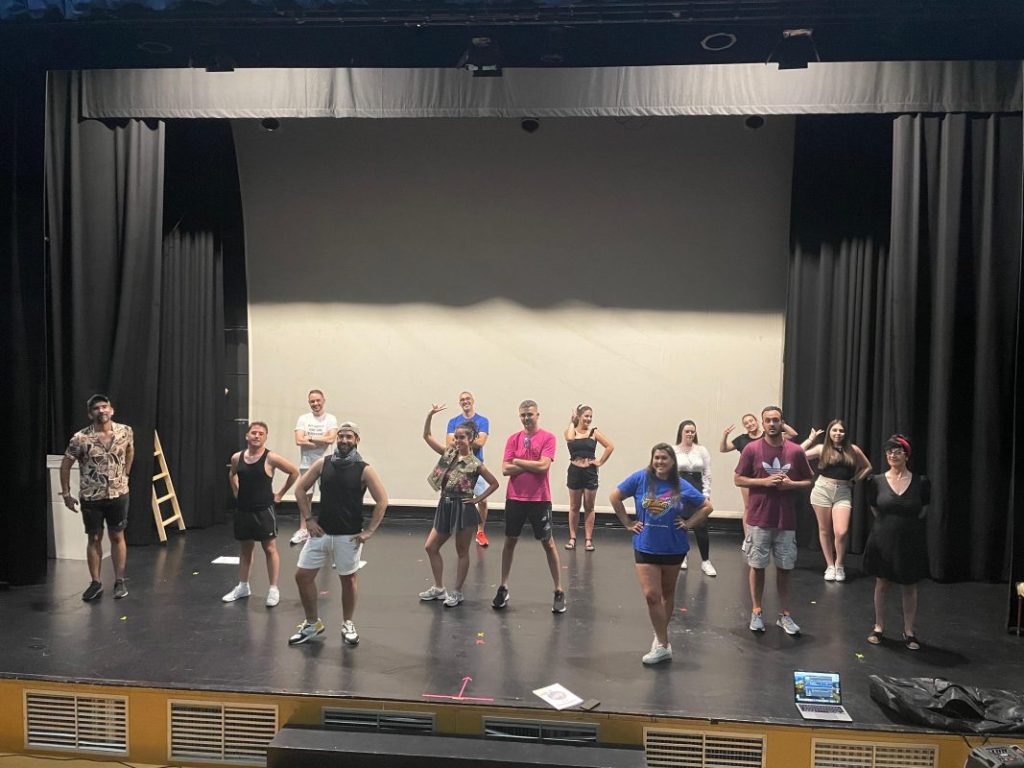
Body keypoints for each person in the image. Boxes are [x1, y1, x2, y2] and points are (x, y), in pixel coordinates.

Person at [610, 444, 713, 664]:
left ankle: (659, 636)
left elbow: (706, 507)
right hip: (645, 546)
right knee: (651, 595)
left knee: (667, 594)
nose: (660, 462)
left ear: (672, 461)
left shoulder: (680, 484)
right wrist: (627, 523)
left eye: (664, 458)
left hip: (673, 547)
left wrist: (688, 523)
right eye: (656, 457)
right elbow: (615, 497)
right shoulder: (640, 478)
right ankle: (664, 645)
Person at [289, 422, 388, 646]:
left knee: (348, 580)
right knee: (302, 576)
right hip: (320, 533)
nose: (343, 440)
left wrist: (370, 531)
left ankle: (348, 623)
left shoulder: (364, 469)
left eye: (348, 437)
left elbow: (382, 500)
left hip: (348, 536)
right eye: (341, 436)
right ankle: (312, 623)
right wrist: (308, 519)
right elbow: (300, 489)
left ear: (356, 440)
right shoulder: (323, 463)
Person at [734, 406, 813, 636]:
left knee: (785, 568)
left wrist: (792, 485)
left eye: (775, 420)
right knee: (757, 566)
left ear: (781, 422)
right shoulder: (751, 449)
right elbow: (738, 478)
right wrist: (763, 482)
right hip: (759, 518)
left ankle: (784, 614)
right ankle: (756, 611)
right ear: (763, 423)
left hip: (786, 520)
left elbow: (808, 480)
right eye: (767, 420)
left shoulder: (795, 451)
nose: (771, 424)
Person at [419, 405, 500, 607]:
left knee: (462, 551)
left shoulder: (475, 463)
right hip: (445, 505)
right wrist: (429, 415)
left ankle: (457, 591)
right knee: (431, 546)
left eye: (461, 437)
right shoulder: (449, 453)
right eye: (456, 437)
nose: (457, 440)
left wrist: (477, 500)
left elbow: (494, 483)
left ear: (471, 439)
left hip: (463, 508)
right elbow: (427, 436)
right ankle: (439, 588)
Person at [59, 394, 135, 602]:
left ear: (111, 410)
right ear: (90, 414)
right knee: (94, 538)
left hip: (118, 493)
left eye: (104, 406)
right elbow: (66, 464)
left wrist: (125, 474)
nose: (101, 410)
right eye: (96, 408)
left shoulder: (125, 431)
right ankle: (96, 582)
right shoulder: (80, 438)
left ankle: (119, 580)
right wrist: (66, 493)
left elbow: (130, 450)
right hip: (92, 496)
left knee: (117, 535)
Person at [493, 400, 566, 614]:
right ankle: (503, 587)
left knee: (548, 543)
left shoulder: (548, 438)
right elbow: (505, 470)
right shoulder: (513, 439)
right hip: (515, 498)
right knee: (510, 541)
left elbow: (543, 466)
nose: (526, 418)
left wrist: (518, 461)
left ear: (537, 415)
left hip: (539, 499)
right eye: (523, 415)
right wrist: (529, 465)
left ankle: (558, 590)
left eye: (530, 414)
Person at [862, 435, 930, 650]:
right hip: (882, 539)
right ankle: (879, 626)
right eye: (889, 451)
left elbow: (923, 510)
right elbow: (874, 508)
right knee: (882, 583)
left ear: (906, 455)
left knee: (910, 585)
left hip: (910, 540)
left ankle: (909, 631)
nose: (893, 455)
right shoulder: (875, 481)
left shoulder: (921, 482)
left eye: (898, 451)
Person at [223, 422, 299, 607]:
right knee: (245, 549)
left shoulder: (270, 458)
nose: (257, 436)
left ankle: (273, 589)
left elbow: (294, 472)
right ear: (247, 436)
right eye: (254, 432)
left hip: (263, 510)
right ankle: (243, 586)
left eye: (261, 433)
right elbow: (232, 474)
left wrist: (280, 494)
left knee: (270, 549)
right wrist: (236, 491)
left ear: (265, 437)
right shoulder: (237, 457)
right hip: (243, 510)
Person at [802, 419, 872, 582]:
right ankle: (830, 566)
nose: (838, 433)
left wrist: (854, 480)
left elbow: (867, 467)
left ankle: (839, 564)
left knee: (841, 531)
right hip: (822, 490)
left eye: (841, 430)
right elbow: (797, 454)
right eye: (834, 430)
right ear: (829, 432)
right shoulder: (821, 448)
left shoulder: (853, 449)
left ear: (845, 433)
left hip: (843, 492)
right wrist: (810, 439)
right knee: (824, 530)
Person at [720, 413, 799, 544]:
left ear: (757, 422)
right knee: (748, 507)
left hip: (766, 475)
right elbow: (723, 449)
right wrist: (725, 435)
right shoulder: (742, 439)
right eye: (746, 423)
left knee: (768, 506)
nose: (749, 424)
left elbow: (793, 435)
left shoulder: (767, 435)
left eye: (751, 421)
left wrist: (781, 423)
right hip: (748, 477)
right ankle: (748, 539)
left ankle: (768, 536)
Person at [563, 404, 614, 552]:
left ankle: (588, 540)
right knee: (574, 506)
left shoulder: (593, 432)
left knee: (589, 506)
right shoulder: (571, 431)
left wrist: (600, 462)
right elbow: (570, 438)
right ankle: (572, 538)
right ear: (579, 416)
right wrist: (572, 422)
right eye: (586, 416)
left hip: (590, 472)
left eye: (590, 416)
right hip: (574, 471)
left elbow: (610, 446)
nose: (589, 419)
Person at [291, 389, 339, 545]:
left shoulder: (330, 419)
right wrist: (320, 440)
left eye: (318, 400)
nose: (315, 403)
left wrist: (310, 438)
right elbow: (299, 440)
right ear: (309, 403)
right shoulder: (303, 419)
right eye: (312, 401)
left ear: (324, 401)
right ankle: (303, 529)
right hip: (307, 463)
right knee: (305, 496)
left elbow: (330, 439)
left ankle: (329, 528)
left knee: (328, 496)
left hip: (326, 463)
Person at [446, 391, 492, 548]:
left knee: (482, 500)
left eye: (467, 399)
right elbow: (449, 443)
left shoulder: (482, 420)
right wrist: (467, 441)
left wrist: (460, 442)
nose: (465, 401)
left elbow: (480, 443)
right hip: (458, 466)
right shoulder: (453, 421)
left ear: (473, 401)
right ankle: (459, 530)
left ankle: (480, 532)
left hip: (476, 466)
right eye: (462, 400)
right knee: (459, 500)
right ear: (459, 403)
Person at [673, 420, 716, 576]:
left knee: (701, 526)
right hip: (680, 491)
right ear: (681, 432)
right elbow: (669, 472)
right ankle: (683, 556)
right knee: (680, 524)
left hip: (697, 491)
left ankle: (705, 561)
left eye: (693, 431)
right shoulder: (673, 450)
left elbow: (707, 474)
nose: (690, 434)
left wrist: (706, 494)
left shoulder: (701, 450)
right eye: (687, 431)